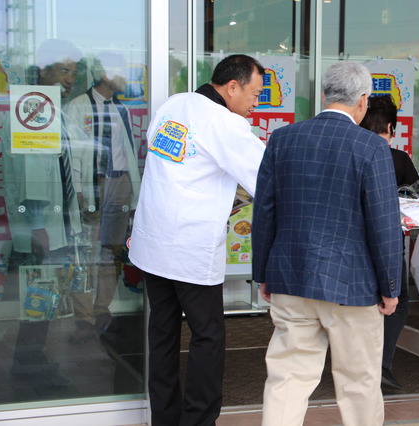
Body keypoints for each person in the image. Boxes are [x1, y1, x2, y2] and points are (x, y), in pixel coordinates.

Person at [252, 61, 403, 426]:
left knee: (287, 377)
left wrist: (262, 274)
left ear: (324, 96)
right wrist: (391, 287)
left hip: (290, 277)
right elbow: (383, 225)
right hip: (353, 286)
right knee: (359, 381)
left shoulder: (282, 138)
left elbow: (264, 211)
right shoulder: (371, 147)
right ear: (363, 101)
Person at [128, 54, 265, 426]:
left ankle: (166, 419)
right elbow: (268, 179)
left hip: (152, 244)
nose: (256, 104)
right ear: (232, 87)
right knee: (208, 337)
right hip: (189, 249)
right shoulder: (225, 123)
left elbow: (173, 163)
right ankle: (199, 421)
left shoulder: (175, 103)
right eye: (255, 94)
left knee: (163, 334)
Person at [1, 38, 83, 381]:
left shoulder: (50, 110)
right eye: (63, 70)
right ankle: (28, 367)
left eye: (73, 73)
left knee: (44, 302)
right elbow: (33, 176)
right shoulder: (33, 110)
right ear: (44, 70)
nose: (69, 79)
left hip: (53, 226)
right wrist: (37, 230)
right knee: (37, 300)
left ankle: (32, 360)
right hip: (41, 230)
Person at [65, 51, 142, 343]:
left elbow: (128, 152)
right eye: (120, 72)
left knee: (111, 250)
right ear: (106, 74)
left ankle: (101, 310)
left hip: (119, 181)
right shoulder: (77, 106)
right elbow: (72, 152)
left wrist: (133, 193)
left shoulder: (120, 109)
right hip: (92, 183)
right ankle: (82, 316)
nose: (125, 78)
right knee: (85, 250)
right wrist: (81, 191)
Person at [359, 94, 418, 390]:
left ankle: (361, 365)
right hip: (391, 243)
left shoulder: (352, 152)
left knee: (361, 303)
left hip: (354, 244)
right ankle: (382, 364)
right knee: (397, 300)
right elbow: (418, 204)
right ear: (391, 128)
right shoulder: (398, 159)